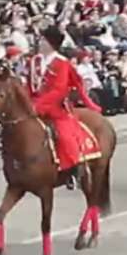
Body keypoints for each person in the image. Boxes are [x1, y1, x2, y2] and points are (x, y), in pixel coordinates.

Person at [31, 26, 102, 190]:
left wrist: (40, 105)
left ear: (51, 43)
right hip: (33, 104)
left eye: (43, 40)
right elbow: (29, 85)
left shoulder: (62, 63)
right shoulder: (34, 61)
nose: (40, 42)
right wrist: (28, 103)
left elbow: (59, 90)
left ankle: (72, 169)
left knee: (64, 135)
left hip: (56, 107)